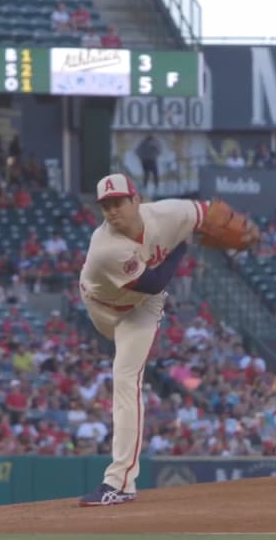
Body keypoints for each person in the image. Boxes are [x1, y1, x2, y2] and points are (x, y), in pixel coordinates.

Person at [76, 174, 254, 506]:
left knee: (126, 378)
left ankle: (120, 483)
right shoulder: (105, 247)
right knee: (126, 356)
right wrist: (183, 245)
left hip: (140, 310)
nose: (113, 211)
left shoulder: (169, 213)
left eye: (118, 202)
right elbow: (154, 280)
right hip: (101, 308)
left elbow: (207, 211)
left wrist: (231, 223)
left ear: (136, 200)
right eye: (106, 206)